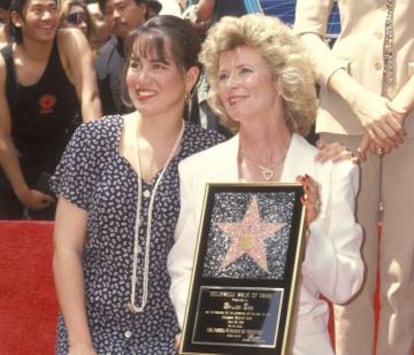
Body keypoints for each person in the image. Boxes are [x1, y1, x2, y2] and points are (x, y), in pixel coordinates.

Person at [167, 14, 364, 354]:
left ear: (279, 80)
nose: (230, 85)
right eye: (223, 75)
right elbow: (184, 269)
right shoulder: (198, 171)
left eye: (245, 71)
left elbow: (345, 286)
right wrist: (199, 325)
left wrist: (307, 232)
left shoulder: (332, 171)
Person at [51, 15, 225, 354]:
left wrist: (200, 327)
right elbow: (65, 249)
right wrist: (79, 342)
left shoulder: (211, 153)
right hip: (94, 331)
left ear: (190, 77)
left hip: (175, 337)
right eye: (135, 64)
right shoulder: (94, 140)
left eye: (158, 66)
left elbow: (219, 260)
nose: (142, 79)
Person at [294, 2, 414, 354]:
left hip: (409, 116)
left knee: (403, 272)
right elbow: (305, 33)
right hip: (345, 117)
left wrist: (395, 109)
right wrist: (358, 99)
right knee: (348, 264)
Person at [0, 0, 101, 220]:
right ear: (17, 19)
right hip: (13, 162)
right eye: (38, 10)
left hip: (62, 156)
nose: (48, 17)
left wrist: (95, 159)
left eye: (52, 8)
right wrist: (22, 192)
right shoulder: (3, 64)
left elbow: (89, 98)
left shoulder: (70, 41)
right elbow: (2, 137)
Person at [96, 0, 148, 115]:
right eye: (109, 12)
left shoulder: (169, 44)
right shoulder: (102, 60)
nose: (115, 15)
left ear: (143, 8)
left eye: (122, 7)